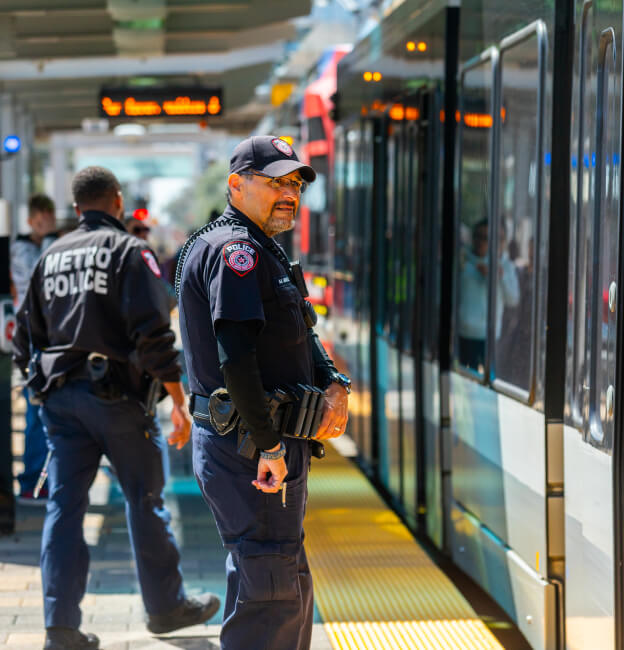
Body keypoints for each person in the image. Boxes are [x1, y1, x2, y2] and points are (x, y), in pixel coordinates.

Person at [12, 166, 220, 650]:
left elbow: (25, 336)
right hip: (119, 401)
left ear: (76, 205)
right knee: (144, 500)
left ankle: (60, 627)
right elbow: (153, 333)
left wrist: (40, 388)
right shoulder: (130, 251)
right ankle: (166, 608)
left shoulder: (51, 256)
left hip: (62, 403)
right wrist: (178, 399)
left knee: (64, 507)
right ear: (118, 202)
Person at [177, 135, 350, 650]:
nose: (289, 193)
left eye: (295, 183)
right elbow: (237, 358)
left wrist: (333, 383)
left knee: (283, 582)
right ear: (236, 184)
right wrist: (270, 445)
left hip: (258, 445)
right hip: (250, 450)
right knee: (270, 595)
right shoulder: (237, 253)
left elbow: (299, 332)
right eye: (275, 182)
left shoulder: (261, 249)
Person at [10, 194, 57, 502]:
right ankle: (30, 481)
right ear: (30, 220)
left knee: (52, 414)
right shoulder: (19, 249)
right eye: (39, 220)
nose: (45, 225)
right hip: (30, 341)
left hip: (53, 340)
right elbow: (35, 279)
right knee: (34, 414)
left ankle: (48, 480)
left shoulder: (54, 245)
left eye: (48, 219)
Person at [457, 218, 519, 372]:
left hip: (490, 337)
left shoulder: (504, 266)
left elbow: (513, 300)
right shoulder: (463, 262)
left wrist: (500, 276)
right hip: (465, 334)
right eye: (478, 236)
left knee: (490, 382)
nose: (481, 242)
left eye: (486, 238)